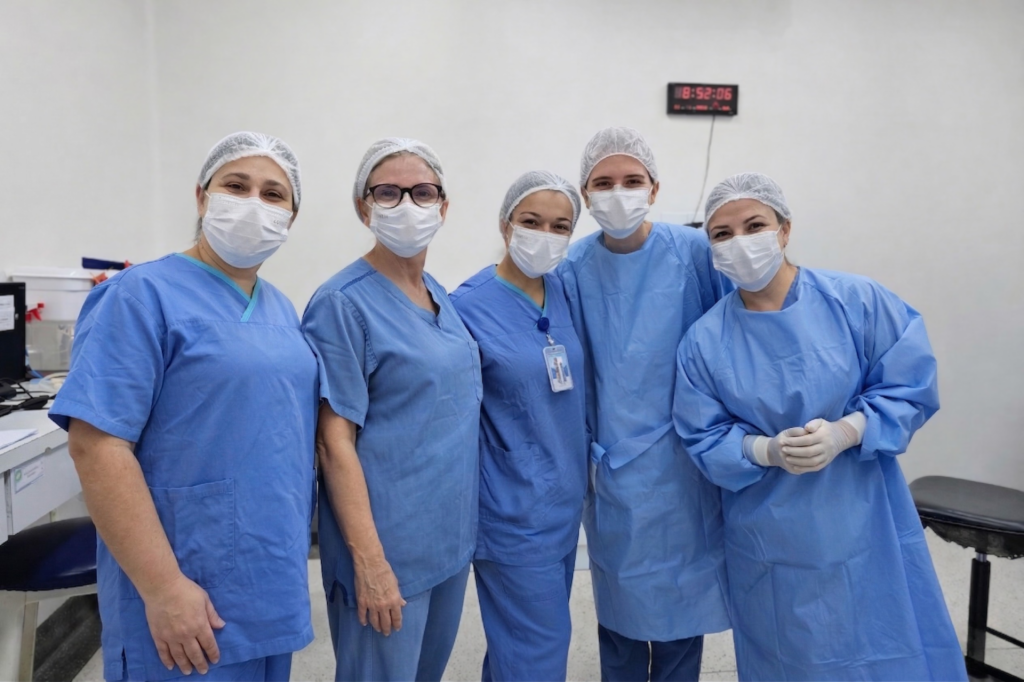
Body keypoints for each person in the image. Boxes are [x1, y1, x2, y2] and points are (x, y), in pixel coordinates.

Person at [672, 172, 967, 681]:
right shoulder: (703, 341)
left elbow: (911, 383)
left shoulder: (856, 301)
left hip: (864, 515)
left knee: (885, 642)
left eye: (754, 225)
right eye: (722, 233)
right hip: (770, 534)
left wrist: (847, 431)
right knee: (792, 655)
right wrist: (764, 450)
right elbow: (703, 434)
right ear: (712, 249)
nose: (740, 241)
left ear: (784, 229)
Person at [49, 132, 316, 682]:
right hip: (184, 580)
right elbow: (96, 447)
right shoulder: (139, 295)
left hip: (269, 576)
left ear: (291, 217)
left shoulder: (281, 308)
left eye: (273, 194)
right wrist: (163, 588)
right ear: (201, 197)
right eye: (236, 186)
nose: (254, 204)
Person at [302, 138, 482, 682]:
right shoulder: (342, 303)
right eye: (388, 192)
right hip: (386, 549)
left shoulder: (437, 293)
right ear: (364, 207)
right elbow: (333, 443)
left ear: (443, 206)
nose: (407, 204)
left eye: (422, 192)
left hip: (446, 540)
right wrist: (370, 562)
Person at [557, 127, 732, 682]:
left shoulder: (695, 254)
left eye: (632, 181)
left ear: (655, 188)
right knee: (622, 606)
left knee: (684, 606)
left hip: (687, 463)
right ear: (585, 194)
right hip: (612, 465)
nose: (619, 193)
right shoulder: (571, 268)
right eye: (603, 182)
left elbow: (732, 339)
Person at [450, 171, 588, 682]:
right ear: (506, 224)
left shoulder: (564, 292)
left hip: (563, 503)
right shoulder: (466, 307)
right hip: (510, 510)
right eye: (532, 221)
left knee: (521, 649)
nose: (545, 235)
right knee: (538, 650)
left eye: (560, 226)